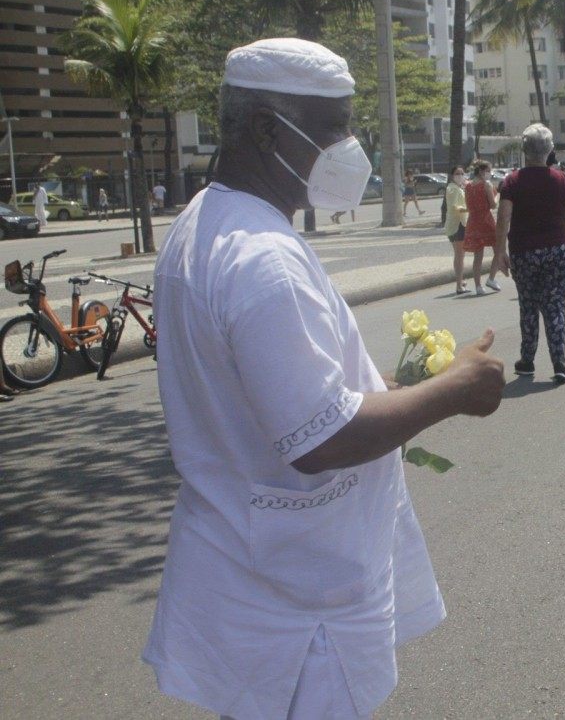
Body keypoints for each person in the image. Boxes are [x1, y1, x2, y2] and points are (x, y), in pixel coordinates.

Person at [143, 37, 506, 720]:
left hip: (260, 575)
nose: (349, 147)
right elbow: (319, 438)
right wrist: (456, 387)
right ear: (262, 129)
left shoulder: (205, 220)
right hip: (298, 609)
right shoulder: (263, 260)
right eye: (331, 128)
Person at [494, 123, 565, 384]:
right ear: (550, 150)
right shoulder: (560, 178)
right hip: (557, 251)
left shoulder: (512, 181)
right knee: (555, 307)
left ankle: (527, 360)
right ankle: (559, 362)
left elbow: (503, 218)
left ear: (524, 150)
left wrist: (499, 253)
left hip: (524, 253)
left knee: (528, 306)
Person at [463, 159, 502, 296]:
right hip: (486, 220)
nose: (489, 174)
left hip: (473, 221)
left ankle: (478, 285)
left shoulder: (468, 186)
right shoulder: (486, 185)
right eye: (488, 171)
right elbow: (493, 205)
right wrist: (497, 196)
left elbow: (468, 206)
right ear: (481, 171)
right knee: (498, 249)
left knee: (477, 256)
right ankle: (491, 278)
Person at [445, 164, 469, 294]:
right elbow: (455, 207)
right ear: (452, 175)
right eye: (457, 174)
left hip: (458, 224)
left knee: (459, 255)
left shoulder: (456, 187)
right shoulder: (453, 189)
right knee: (460, 255)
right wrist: (470, 209)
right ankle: (459, 285)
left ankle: (461, 280)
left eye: (462, 173)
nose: (460, 176)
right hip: (457, 224)